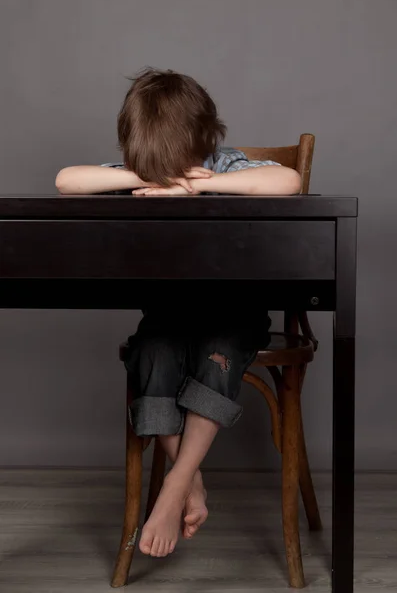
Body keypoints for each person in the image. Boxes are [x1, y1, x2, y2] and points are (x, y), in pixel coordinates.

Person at [55, 68, 301, 558]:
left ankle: (175, 485)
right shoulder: (141, 170)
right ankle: (193, 483)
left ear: (204, 139)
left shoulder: (224, 166)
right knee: (152, 355)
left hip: (235, 315)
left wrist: (197, 186)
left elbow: (289, 179)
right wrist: (140, 175)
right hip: (168, 315)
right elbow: (67, 181)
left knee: (218, 353)